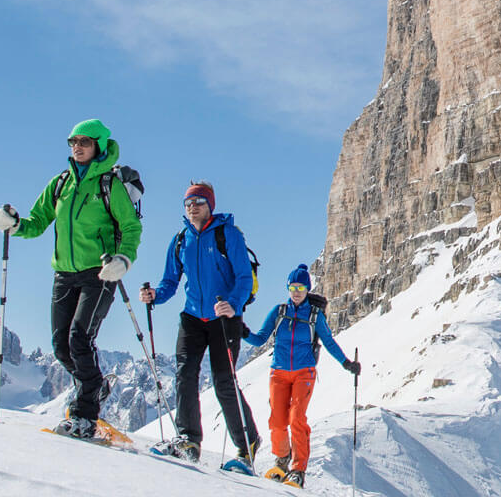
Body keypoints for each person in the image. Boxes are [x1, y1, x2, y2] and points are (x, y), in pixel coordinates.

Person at [0, 119, 141, 439]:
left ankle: (84, 416)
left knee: (79, 338)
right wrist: (14, 224)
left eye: (84, 142)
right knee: (61, 346)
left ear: (98, 145)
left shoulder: (108, 185)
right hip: (64, 274)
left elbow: (131, 227)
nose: (77, 147)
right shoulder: (60, 184)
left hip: (99, 272)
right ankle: (95, 386)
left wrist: (123, 260)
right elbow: (37, 222)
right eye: (73, 141)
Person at [139, 181, 260, 465]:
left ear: (210, 205)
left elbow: (243, 276)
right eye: (188, 203)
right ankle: (188, 440)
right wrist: (155, 295)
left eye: (198, 202)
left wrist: (233, 303)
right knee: (185, 375)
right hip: (192, 316)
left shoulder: (227, 234)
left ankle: (248, 444)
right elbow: (171, 280)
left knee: (223, 382)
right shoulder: (181, 238)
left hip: (224, 318)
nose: (192, 207)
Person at [243, 265, 361, 487]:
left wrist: (346, 363)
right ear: (288, 287)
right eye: (293, 287)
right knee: (277, 421)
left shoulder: (315, 316)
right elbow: (260, 339)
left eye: (302, 287)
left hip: (304, 372)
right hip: (278, 372)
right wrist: (241, 331)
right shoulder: (279, 312)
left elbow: (328, 341)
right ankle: (281, 460)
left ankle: (298, 469)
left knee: (296, 418)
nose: (297, 291)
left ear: (308, 288)